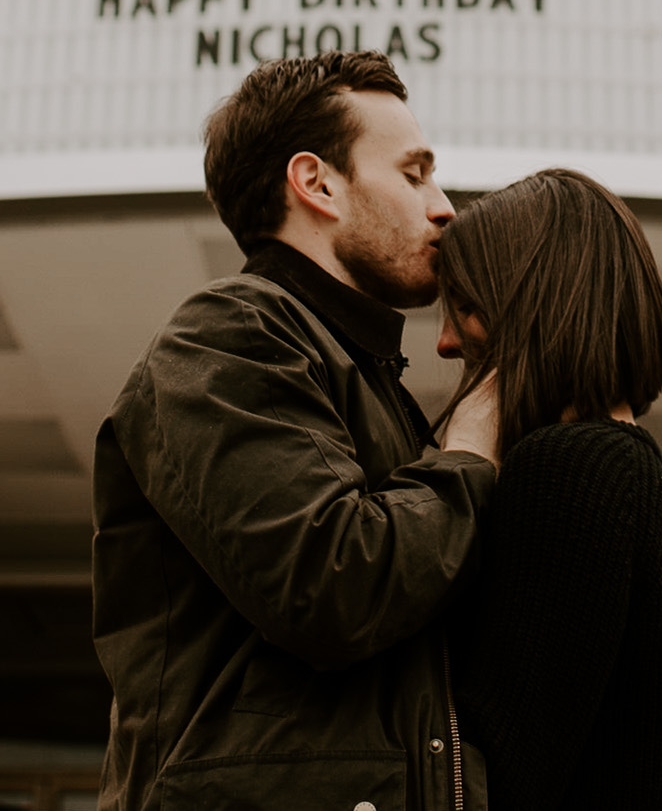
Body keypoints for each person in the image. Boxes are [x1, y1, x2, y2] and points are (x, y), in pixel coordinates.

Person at [92, 51, 503, 811]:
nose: (444, 205)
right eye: (414, 174)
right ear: (316, 182)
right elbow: (335, 584)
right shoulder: (221, 338)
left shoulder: (363, 375)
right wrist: (474, 441)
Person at [433, 168, 662, 811]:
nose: (443, 340)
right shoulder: (621, 460)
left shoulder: (572, 466)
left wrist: (460, 457)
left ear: (534, 303)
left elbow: (497, 771)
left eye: (464, 306)